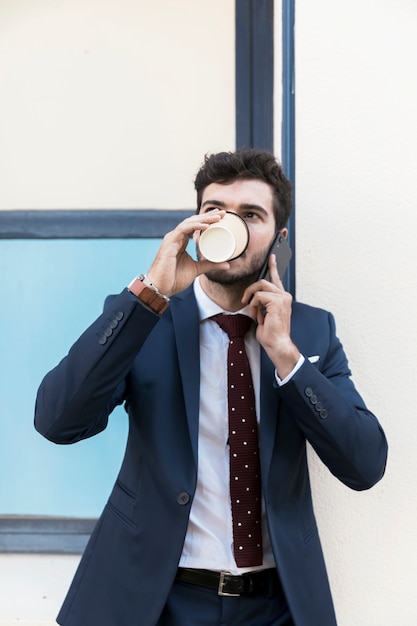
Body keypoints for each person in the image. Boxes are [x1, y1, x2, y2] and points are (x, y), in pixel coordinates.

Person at [34, 148, 388, 626]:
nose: (230, 226)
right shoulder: (147, 319)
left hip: (276, 606)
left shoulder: (310, 333)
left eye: (251, 215)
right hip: (156, 600)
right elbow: (57, 420)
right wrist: (149, 295)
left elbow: (364, 464)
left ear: (278, 238)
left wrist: (286, 355)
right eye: (215, 212)